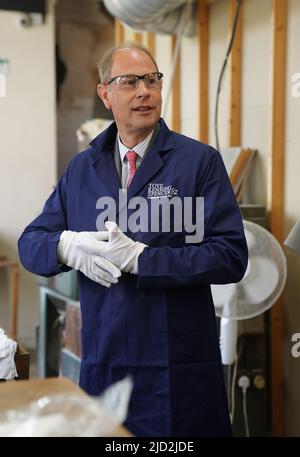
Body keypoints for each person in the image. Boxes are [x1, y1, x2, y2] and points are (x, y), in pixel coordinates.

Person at [18, 42, 248, 437]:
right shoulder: (82, 169)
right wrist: (64, 246)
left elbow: (230, 255)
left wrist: (144, 260)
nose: (144, 91)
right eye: (129, 82)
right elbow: (31, 242)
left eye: (151, 79)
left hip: (178, 362)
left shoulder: (198, 163)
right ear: (105, 94)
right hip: (107, 357)